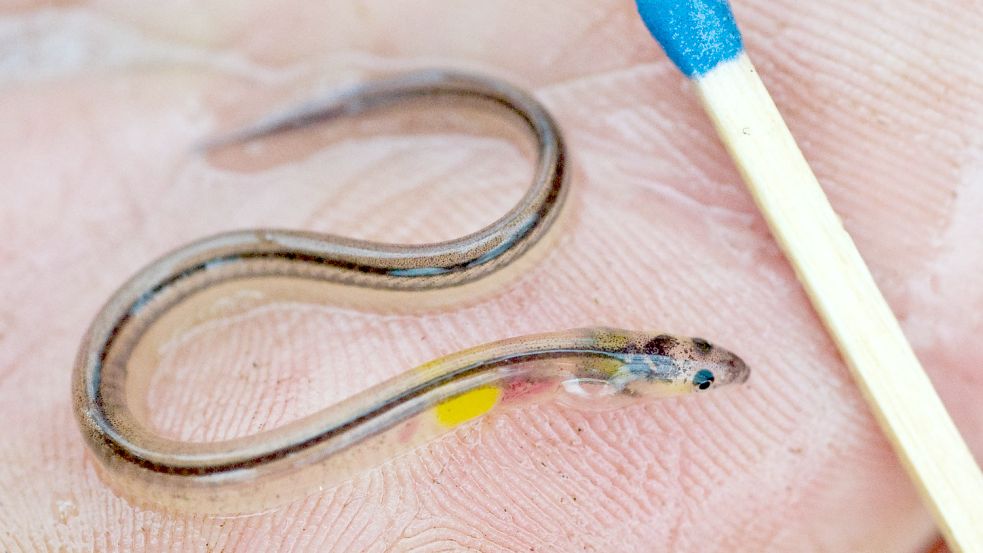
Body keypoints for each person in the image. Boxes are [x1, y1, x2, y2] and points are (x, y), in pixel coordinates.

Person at [0, 1, 978, 550]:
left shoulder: (559, 367)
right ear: (617, 351)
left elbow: (507, 383)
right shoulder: (570, 364)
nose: (697, 367)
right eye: (689, 366)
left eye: (689, 368)